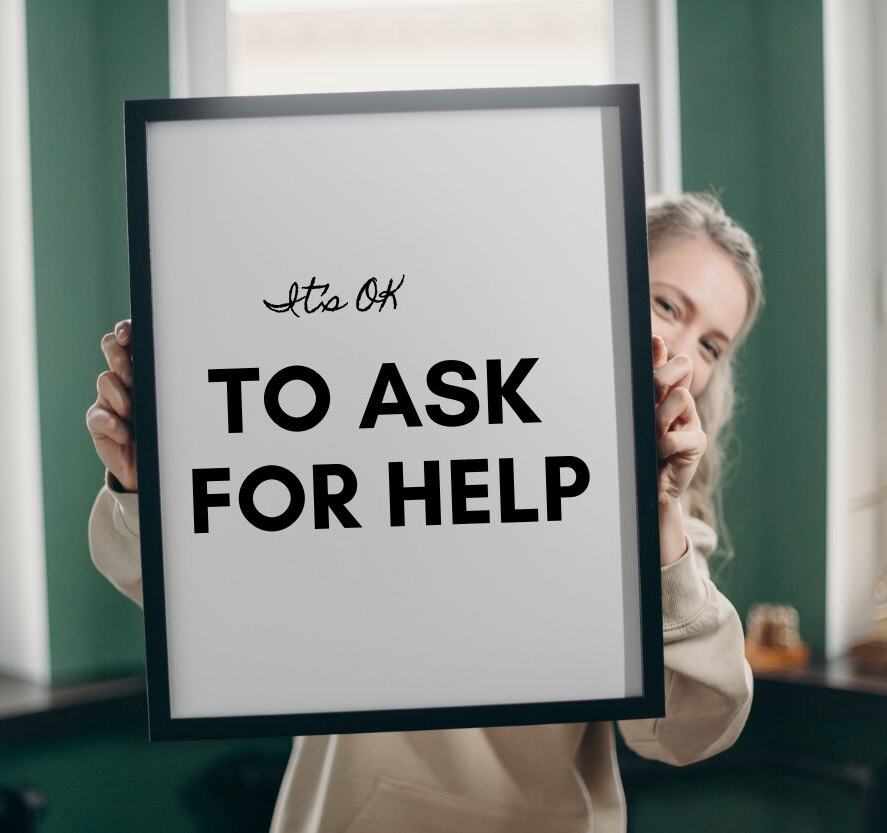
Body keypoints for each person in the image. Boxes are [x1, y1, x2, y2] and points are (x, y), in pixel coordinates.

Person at [86, 192, 764, 833]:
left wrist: (658, 515)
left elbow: (690, 729)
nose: (682, 350)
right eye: (666, 305)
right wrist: (156, 492)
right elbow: (210, 599)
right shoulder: (377, 446)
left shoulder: (669, 536)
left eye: (712, 345)